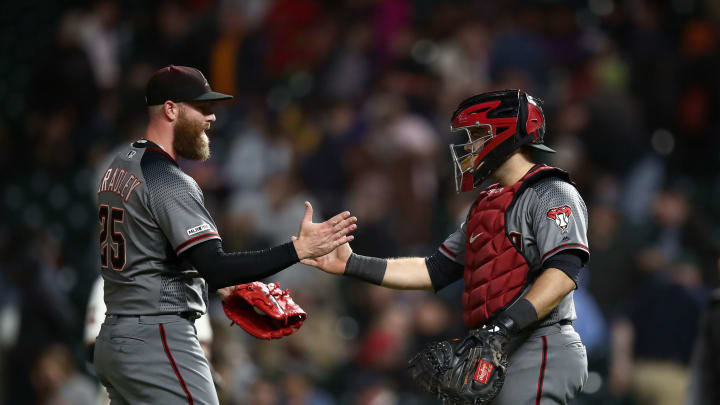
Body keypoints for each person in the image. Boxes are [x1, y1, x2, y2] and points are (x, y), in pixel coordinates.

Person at [303, 90, 589, 404]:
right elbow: (433, 269)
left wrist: (503, 327)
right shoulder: (486, 205)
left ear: (502, 133)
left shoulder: (552, 192)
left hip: (541, 343)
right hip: (496, 352)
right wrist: (352, 264)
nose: (468, 146)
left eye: (475, 135)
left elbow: (563, 272)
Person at [93, 65, 357, 405]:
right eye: (201, 107)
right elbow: (213, 266)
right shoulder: (170, 180)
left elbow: (152, 251)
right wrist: (299, 249)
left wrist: (207, 282)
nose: (212, 117)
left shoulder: (120, 164)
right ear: (170, 109)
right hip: (157, 338)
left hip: (116, 334)